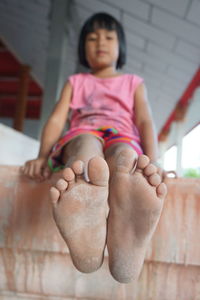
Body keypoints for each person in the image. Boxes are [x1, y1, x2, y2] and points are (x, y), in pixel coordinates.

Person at [21, 12, 167, 283]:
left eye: (109, 37)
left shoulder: (133, 83)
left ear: (120, 47)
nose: (100, 42)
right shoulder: (76, 81)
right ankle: (88, 211)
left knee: (124, 158)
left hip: (122, 135)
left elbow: (145, 120)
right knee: (86, 154)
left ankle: (124, 234)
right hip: (83, 132)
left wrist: (154, 161)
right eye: (92, 38)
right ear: (82, 48)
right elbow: (56, 119)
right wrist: (42, 156)